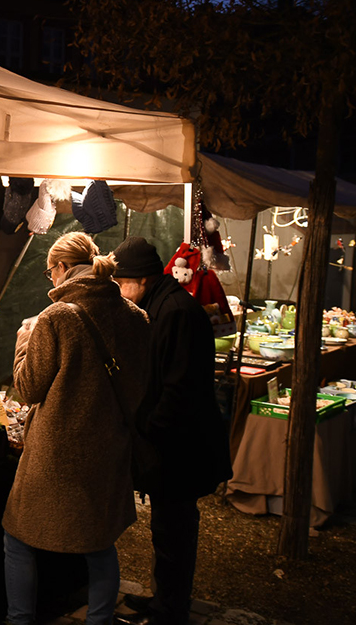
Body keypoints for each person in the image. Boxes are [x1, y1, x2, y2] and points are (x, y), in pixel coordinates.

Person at [3, 232, 150, 625]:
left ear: (63, 268)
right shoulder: (136, 316)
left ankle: (20, 621)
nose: (51, 280)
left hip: (56, 453)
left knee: (17, 538)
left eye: (51, 271)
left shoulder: (56, 317)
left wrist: (22, 342)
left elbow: (29, 387)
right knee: (99, 543)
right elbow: (139, 384)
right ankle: (99, 620)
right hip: (110, 447)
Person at [110, 236, 233, 625]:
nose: (119, 293)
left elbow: (180, 387)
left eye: (121, 284)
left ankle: (170, 611)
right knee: (166, 529)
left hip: (182, 445)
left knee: (174, 531)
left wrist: (148, 428)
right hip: (173, 441)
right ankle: (164, 598)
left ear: (142, 280)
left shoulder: (176, 311)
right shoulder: (160, 305)